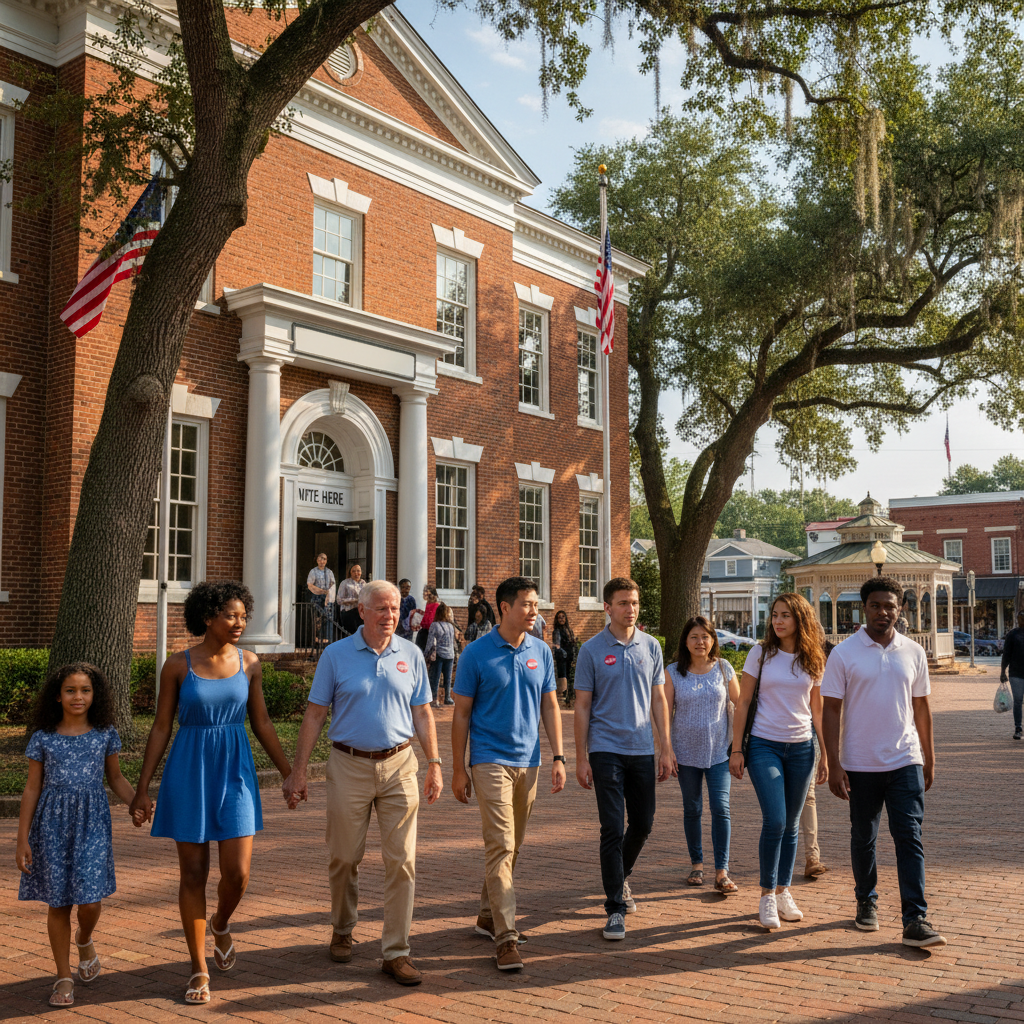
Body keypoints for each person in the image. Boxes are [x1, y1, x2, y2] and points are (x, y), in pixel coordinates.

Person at [130, 581, 292, 1004]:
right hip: (189, 770)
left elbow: (262, 723)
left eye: (243, 616)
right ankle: (198, 967)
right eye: (230, 615)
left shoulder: (250, 662)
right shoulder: (177, 665)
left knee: (237, 874)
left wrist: (289, 772)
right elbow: (161, 727)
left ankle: (221, 922)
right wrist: (143, 788)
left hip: (234, 771)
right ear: (207, 617)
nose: (239, 622)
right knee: (193, 874)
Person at [283, 579, 443, 985]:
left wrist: (435, 763)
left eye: (395, 609)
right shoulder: (335, 655)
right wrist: (299, 771)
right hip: (348, 765)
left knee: (402, 861)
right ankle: (342, 927)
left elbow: (423, 712)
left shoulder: (411, 654)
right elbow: (315, 714)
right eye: (382, 608)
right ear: (362, 611)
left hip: (400, 765)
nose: (390, 616)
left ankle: (396, 951)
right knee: (344, 856)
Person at [822, 576, 946, 948]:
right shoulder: (844, 654)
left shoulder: (914, 651)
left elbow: (921, 707)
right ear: (865, 608)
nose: (883, 612)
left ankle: (915, 919)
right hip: (860, 763)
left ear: (900, 608)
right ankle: (866, 900)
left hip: (905, 759)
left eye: (889, 605)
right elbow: (831, 709)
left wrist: (928, 757)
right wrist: (834, 762)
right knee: (864, 837)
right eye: (875, 605)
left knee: (909, 837)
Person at [451, 575, 566, 972]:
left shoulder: (541, 651)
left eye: (536, 604)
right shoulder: (475, 654)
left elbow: (550, 705)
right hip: (488, 759)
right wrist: (458, 769)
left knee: (512, 845)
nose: (535, 611)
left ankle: (487, 915)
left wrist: (559, 756)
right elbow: (461, 714)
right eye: (528, 604)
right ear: (504, 607)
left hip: (529, 760)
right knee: (500, 844)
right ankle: (506, 937)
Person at [16, 663, 139, 1007]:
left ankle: (84, 938)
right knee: (58, 902)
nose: (78, 696)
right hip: (51, 827)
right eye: (70, 690)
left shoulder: (104, 734)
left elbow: (116, 778)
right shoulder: (43, 737)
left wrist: (136, 803)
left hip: (92, 825)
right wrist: (22, 838)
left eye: (85, 690)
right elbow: (32, 788)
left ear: (95, 695)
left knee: (90, 901)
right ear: (57, 696)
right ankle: (63, 975)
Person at [574, 577, 676, 941]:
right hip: (605, 749)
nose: (630, 609)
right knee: (613, 828)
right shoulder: (590, 650)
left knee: (644, 824)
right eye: (622, 603)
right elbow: (582, 706)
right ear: (607, 608)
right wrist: (581, 757)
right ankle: (615, 907)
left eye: (634, 603)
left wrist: (666, 748)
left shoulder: (651, 646)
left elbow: (659, 699)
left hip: (642, 748)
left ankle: (620, 875)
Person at [730, 592, 828, 932]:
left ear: (800, 618)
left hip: (802, 748)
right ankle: (767, 895)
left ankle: (785, 892)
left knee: (792, 824)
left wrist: (826, 754)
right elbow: (743, 703)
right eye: (775, 614)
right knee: (775, 820)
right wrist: (737, 750)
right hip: (763, 745)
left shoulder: (813, 658)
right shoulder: (760, 654)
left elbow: (817, 710)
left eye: (785, 615)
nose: (778, 620)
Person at [664, 616, 739, 895]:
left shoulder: (724, 668)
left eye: (705, 637)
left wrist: (739, 747)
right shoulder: (673, 672)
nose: (700, 642)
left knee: (721, 808)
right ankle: (697, 864)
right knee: (693, 809)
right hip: (685, 754)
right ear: (685, 641)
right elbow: (664, 713)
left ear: (713, 640)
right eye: (694, 637)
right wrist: (666, 749)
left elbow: (740, 705)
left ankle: (722, 871)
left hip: (719, 752)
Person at [426, 602, 457, 707]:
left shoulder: (434, 625)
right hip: (450, 654)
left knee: (435, 677)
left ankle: (434, 699)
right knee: (448, 678)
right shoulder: (451, 626)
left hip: (439, 654)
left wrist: (426, 655)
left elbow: (430, 642)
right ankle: (447, 697)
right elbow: (453, 642)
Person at [1000, 610, 1024, 740]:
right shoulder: (1013, 635)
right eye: (1020, 618)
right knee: (1018, 701)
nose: (1022, 620)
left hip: (1017, 673)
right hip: (1016, 673)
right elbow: (1006, 654)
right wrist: (1003, 671)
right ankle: (1018, 728)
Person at [307, 553, 336, 644]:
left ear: (326, 561)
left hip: (328, 598)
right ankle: (316, 642)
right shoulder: (313, 571)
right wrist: (322, 591)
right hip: (316, 597)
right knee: (317, 620)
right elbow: (310, 585)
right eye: (320, 559)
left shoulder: (329, 572)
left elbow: (333, 585)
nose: (322, 561)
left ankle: (328, 641)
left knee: (328, 619)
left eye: (324, 559)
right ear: (317, 560)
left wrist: (329, 596)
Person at [551, 610, 577, 707]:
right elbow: (557, 645)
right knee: (563, 677)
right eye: (559, 617)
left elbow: (573, 643)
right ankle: (563, 700)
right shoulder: (557, 631)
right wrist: (562, 651)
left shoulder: (569, 630)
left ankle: (569, 699)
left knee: (570, 677)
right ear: (557, 620)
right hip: (562, 658)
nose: (561, 619)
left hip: (570, 657)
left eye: (563, 617)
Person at [336, 564, 365, 636]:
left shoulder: (363, 583)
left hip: (361, 612)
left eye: (358, 571)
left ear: (361, 572)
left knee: (362, 634)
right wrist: (354, 601)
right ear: (350, 573)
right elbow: (339, 600)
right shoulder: (345, 583)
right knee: (351, 634)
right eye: (353, 571)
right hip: (348, 611)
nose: (356, 573)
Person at [416, 585, 439, 652]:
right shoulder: (428, 604)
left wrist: (422, 623)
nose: (424, 593)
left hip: (429, 632)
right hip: (424, 631)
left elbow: (430, 620)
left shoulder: (436, 605)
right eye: (424, 591)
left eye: (426, 591)